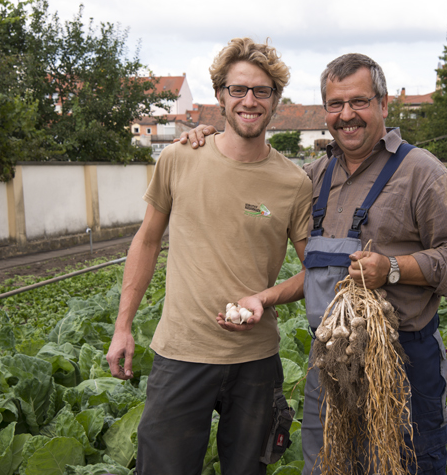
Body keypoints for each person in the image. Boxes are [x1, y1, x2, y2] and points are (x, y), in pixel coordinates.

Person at [181, 53, 447, 475]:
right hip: (329, 366)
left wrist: (392, 269)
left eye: (358, 102)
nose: (346, 116)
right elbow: (312, 265)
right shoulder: (314, 176)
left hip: (400, 363)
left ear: (382, 104)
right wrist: (209, 140)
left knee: (403, 465)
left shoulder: (421, 172)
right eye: (335, 104)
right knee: (326, 465)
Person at [105, 37, 312, 475]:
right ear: (220, 95)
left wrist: (266, 299)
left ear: (275, 99)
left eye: (261, 90)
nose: (249, 101)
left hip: (255, 361)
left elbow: (317, 271)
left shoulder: (293, 183)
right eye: (238, 89)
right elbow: (146, 241)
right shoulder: (180, 158)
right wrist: (123, 327)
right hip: (181, 353)